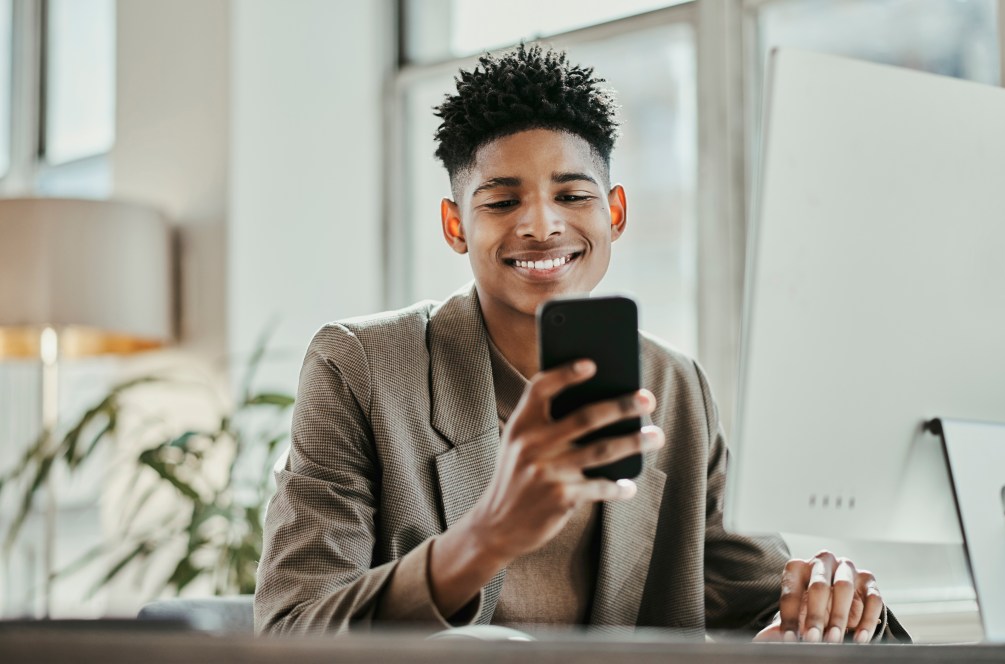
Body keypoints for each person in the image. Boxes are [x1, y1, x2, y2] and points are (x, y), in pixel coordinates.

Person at [255, 43, 909, 644]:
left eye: (571, 194)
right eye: (501, 202)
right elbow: (290, 631)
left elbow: (762, 601)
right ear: (455, 224)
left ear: (614, 214)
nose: (541, 225)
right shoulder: (361, 368)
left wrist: (834, 611)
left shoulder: (674, 387)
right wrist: (485, 539)